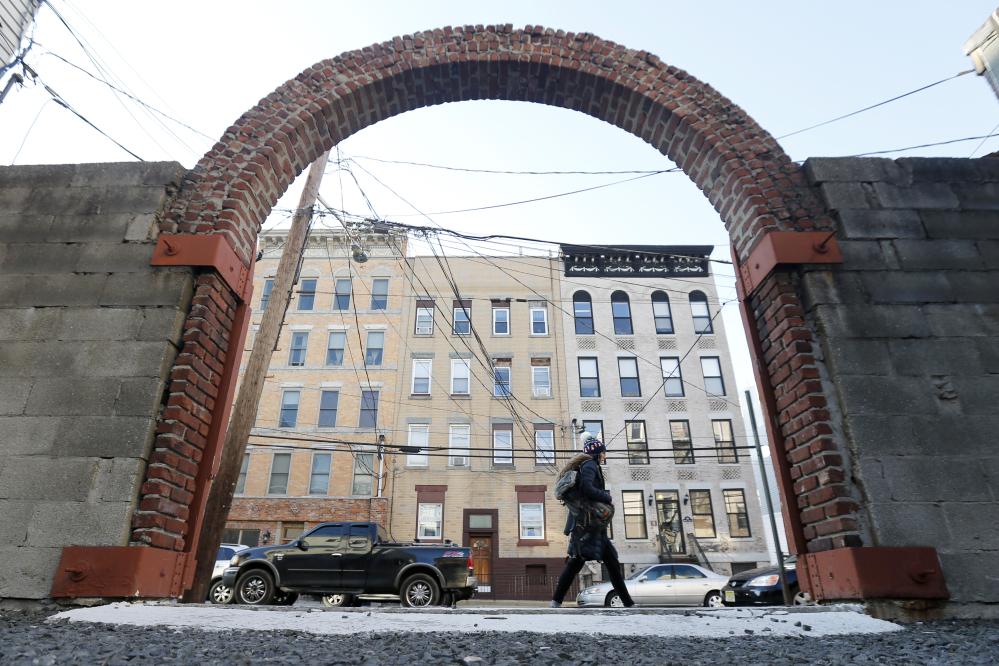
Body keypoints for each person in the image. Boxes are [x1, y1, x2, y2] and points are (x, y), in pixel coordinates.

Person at [550, 437, 635, 608]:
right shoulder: (589, 465)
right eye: (603, 453)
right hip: (588, 525)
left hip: (592, 525)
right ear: (597, 454)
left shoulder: (591, 466)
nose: (604, 456)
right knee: (577, 563)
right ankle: (555, 602)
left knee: (611, 564)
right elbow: (587, 489)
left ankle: (628, 603)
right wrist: (608, 498)